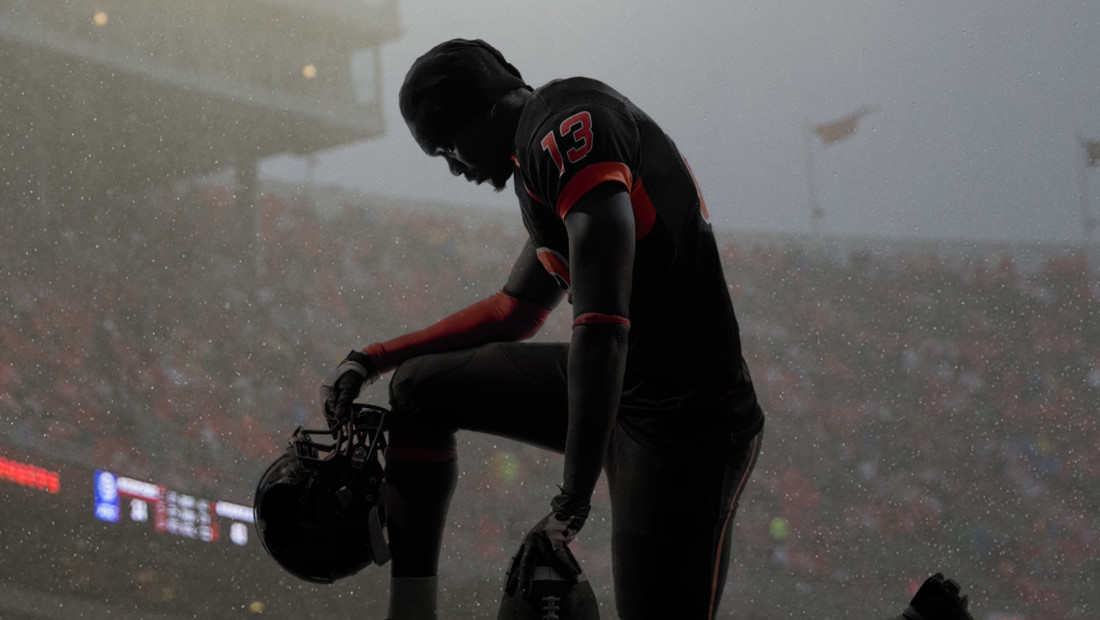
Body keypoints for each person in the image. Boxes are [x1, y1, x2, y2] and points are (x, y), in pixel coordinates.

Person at [321, 38, 765, 620]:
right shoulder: (541, 155)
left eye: (450, 146)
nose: (455, 167)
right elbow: (515, 311)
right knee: (419, 388)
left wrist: (570, 503)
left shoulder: (568, 131)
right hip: (627, 389)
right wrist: (375, 357)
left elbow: (604, 327)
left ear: (485, 109)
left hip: (685, 423)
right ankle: (411, 610)